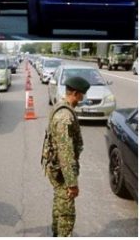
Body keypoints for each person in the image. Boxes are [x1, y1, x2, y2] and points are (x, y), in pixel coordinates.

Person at [41, 76, 88, 237]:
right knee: (67, 214)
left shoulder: (61, 106)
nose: (84, 97)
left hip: (57, 168)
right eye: (83, 94)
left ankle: (55, 233)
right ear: (75, 93)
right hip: (61, 172)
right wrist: (72, 184)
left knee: (59, 204)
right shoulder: (64, 117)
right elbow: (65, 152)